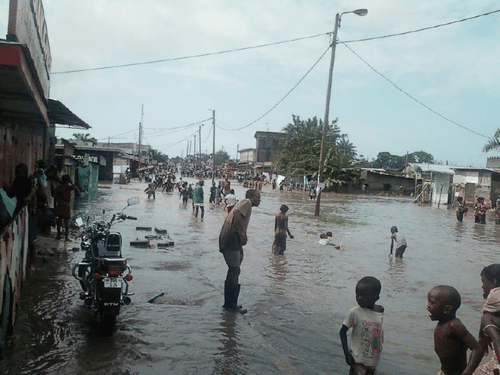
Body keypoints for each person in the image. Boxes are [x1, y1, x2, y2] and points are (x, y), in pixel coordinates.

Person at [219, 189, 261, 314]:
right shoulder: (246, 202)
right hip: (231, 237)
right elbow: (237, 215)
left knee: (234, 269)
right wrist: (242, 233)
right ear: (252, 197)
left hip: (229, 238)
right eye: (258, 197)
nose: (259, 200)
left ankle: (229, 304)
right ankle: (231, 305)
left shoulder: (244, 204)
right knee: (235, 269)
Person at [427, 285, 482, 375]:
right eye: (428, 302)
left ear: (447, 309)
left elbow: (477, 349)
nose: (428, 306)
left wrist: (467, 373)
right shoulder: (442, 323)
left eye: (432, 303)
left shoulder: (454, 326)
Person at [340, 276, 384, 375]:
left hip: (373, 362)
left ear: (376, 298)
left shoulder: (378, 312)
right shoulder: (355, 312)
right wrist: (347, 354)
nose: (359, 298)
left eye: (364, 296)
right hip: (358, 361)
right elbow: (342, 332)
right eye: (357, 294)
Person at [475, 264, 500, 375]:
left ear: (494, 282)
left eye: (483, 282)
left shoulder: (494, 296)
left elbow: (496, 341)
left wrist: (482, 334)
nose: (482, 287)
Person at [54, 174, 78, 241]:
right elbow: (75, 187)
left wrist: (55, 205)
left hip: (60, 205)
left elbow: (55, 196)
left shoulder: (59, 187)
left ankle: (58, 235)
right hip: (66, 205)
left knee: (59, 220)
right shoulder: (69, 187)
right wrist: (71, 182)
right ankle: (66, 237)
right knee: (66, 222)